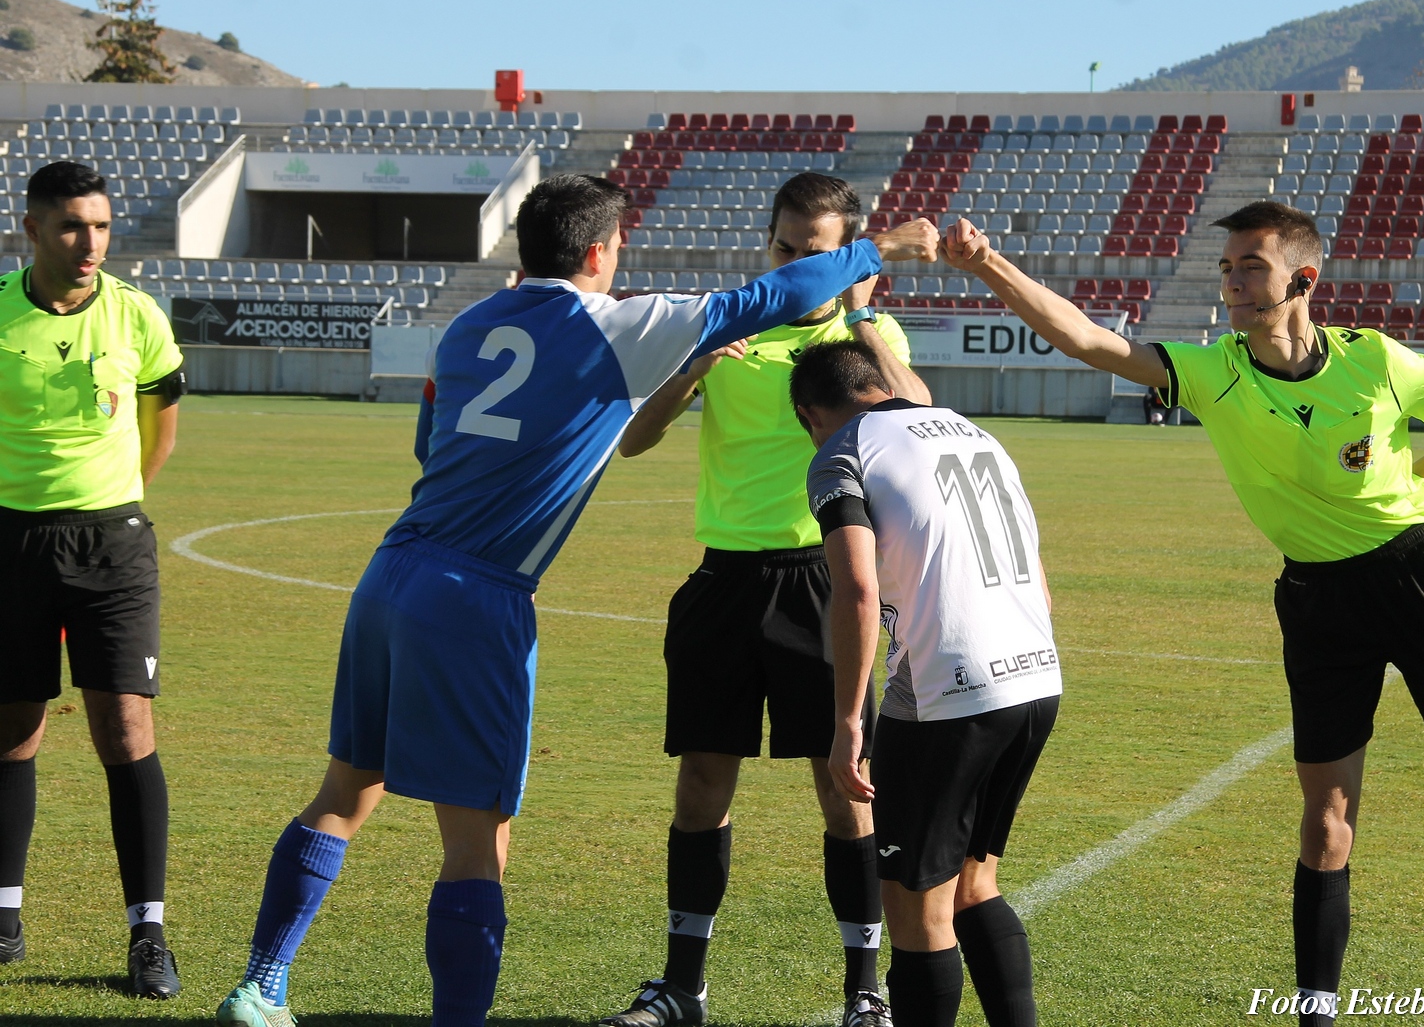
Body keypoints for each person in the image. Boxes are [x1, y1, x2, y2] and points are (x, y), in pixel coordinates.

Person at [213, 174, 939, 1027]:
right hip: (478, 595)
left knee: (347, 786)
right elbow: (772, 295)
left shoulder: (470, 324)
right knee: (479, 840)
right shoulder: (620, 328)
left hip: (391, 571)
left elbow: (429, 443)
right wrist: (878, 250)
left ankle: (262, 984)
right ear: (600, 253)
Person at [938, 201, 1424, 1027]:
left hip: (1422, 576)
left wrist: (1417, 484)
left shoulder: (1382, 363)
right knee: (1326, 817)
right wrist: (988, 265)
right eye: (1227, 268)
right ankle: (1314, 1011)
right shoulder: (1217, 372)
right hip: (1317, 598)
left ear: (1302, 279)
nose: (1232, 283)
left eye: (1249, 266)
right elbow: (1088, 340)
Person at [602, 174, 930, 1027]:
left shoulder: (867, 334)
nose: (793, 262)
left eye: (813, 251)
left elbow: (919, 411)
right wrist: (694, 369)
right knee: (703, 780)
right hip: (722, 581)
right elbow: (633, 441)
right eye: (783, 247)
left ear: (845, 253)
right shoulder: (729, 326)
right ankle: (682, 986)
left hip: (824, 580)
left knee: (844, 785)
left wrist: (860, 314)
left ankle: (865, 988)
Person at [791, 340, 1060, 1027]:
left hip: (949, 690)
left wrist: (849, 721)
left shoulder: (841, 451)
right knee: (976, 885)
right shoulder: (975, 431)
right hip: (1034, 672)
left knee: (917, 906)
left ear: (808, 413)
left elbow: (854, 587)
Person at [0, 161, 186, 997]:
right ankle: (4, 917)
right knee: (13, 730)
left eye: (102, 226)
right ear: (31, 229)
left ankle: (147, 933)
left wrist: (111, 502)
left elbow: (161, 431)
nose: (91, 243)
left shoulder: (137, 315)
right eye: (73, 225)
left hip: (113, 544)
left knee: (126, 732)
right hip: (10, 543)